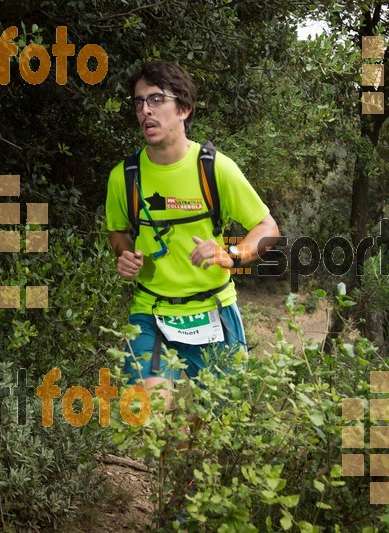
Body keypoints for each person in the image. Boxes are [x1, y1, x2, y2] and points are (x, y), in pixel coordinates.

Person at [105, 61, 279, 408]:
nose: (145, 111)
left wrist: (231, 255)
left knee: (220, 427)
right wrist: (125, 256)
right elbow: (117, 232)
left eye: (156, 100)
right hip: (151, 310)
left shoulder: (215, 168)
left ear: (183, 109)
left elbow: (267, 229)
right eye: (139, 102)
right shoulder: (125, 176)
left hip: (213, 311)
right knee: (148, 412)